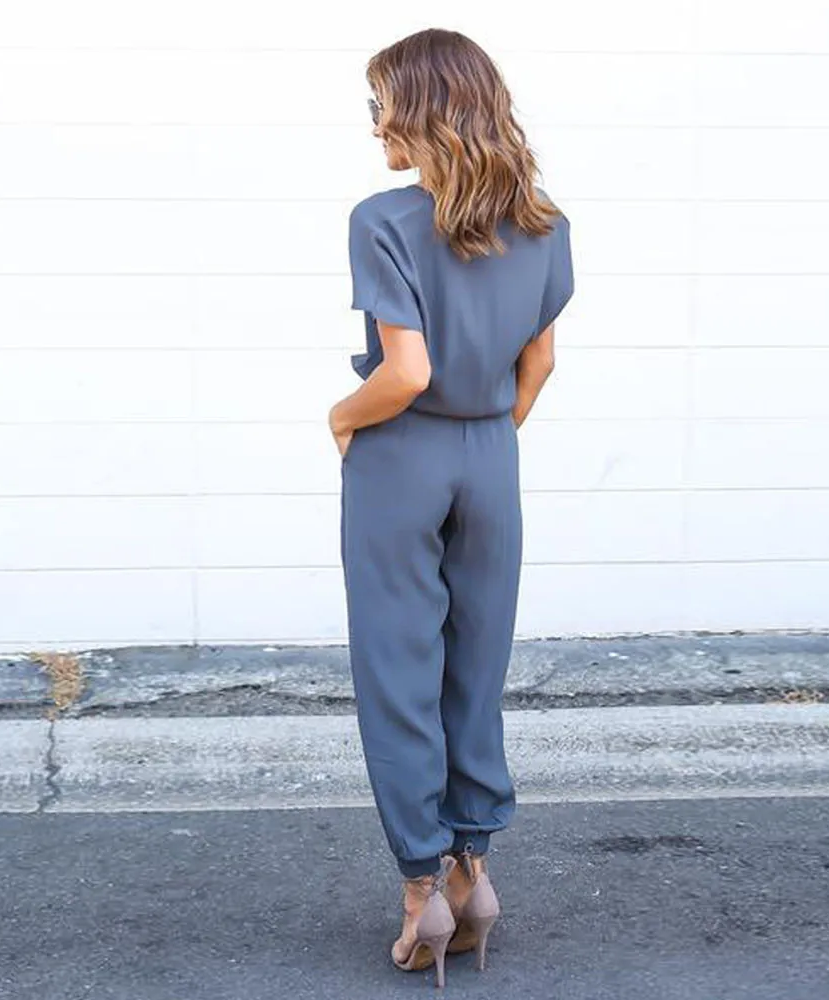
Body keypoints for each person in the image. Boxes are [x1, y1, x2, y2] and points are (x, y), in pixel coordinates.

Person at [327, 27, 574, 987]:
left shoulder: (383, 219)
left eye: (380, 105)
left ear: (422, 111)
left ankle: (420, 890)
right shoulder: (545, 223)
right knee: (476, 670)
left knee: (399, 674)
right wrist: (485, 438)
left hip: (405, 450)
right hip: (490, 453)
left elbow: (406, 373)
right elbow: (538, 365)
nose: (373, 125)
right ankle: (476, 871)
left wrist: (342, 419)